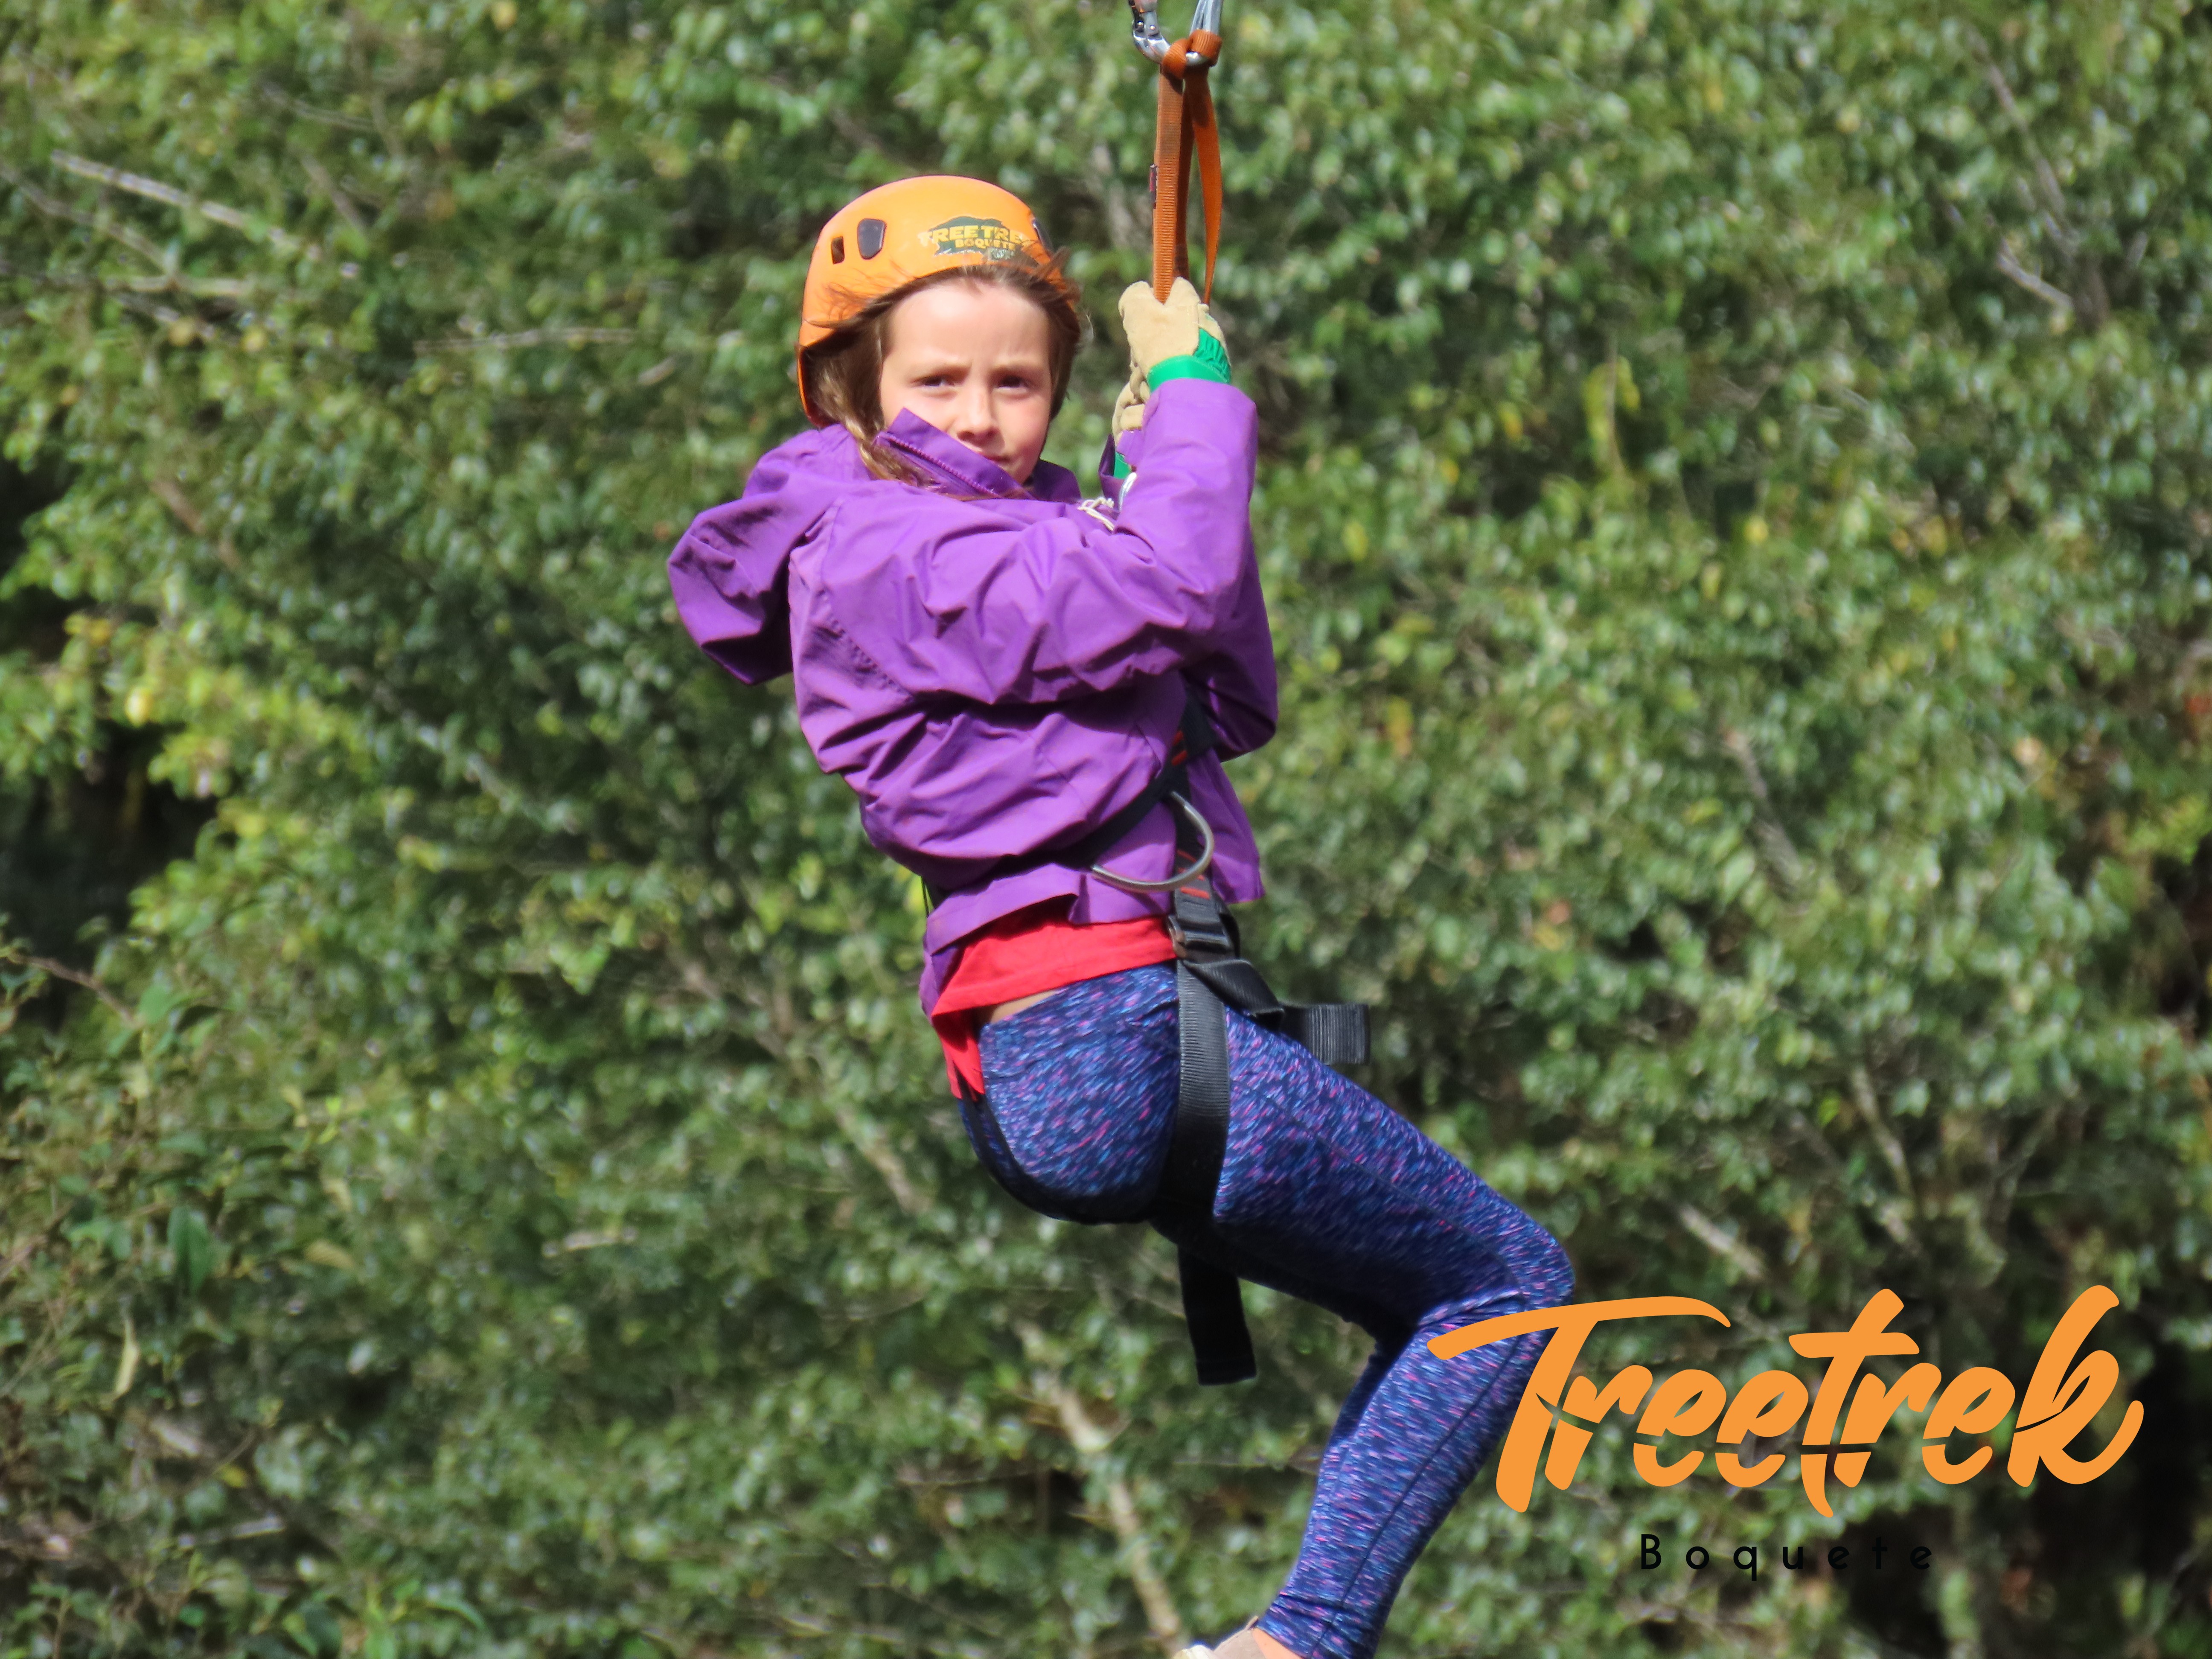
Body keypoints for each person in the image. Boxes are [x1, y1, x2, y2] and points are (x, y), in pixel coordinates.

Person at [667, 175, 1572, 1659]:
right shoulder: (892, 554)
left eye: (1016, 382)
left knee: (1467, 1296)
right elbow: (1168, 584)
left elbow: (1224, 690)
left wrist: (1153, 459)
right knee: (1508, 1287)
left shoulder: (1017, 543)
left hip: (1100, 1041)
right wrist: (1201, 412)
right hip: (1101, 1031)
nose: (979, 418)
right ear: (849, 391)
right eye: (937, 382)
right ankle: (1298, 1645)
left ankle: (1292, 1645)